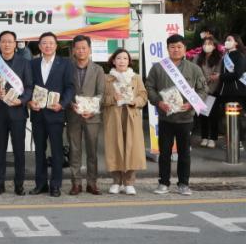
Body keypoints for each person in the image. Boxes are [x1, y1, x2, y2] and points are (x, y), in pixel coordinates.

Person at [146, 34, 207, 196]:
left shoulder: (194, 69)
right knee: (164, 153)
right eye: (172, 47)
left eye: (179, 47)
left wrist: (192, 103)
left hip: (186, 119)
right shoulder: (158, 68)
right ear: (167, 49)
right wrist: (158, 102)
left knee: (184, 153)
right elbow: (149, 87)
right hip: (165, 118)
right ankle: (163, 183)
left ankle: (183, 184)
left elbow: (203, 89)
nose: (176, 50)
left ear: (185, 49)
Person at [28, 32, 75, 197]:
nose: (47, 46)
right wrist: (29, 102)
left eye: (50, 43)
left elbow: (70, 87)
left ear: (56, 45)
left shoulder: (65, 63)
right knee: (39, 151)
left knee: (56, 152)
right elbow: (28, 86)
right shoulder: (32, 63)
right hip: (38, 114)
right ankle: (41, 184)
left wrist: (62, 104)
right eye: (44, 43)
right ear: (39, 46)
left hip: (56, 114)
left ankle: (56, 185)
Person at [0, 31, 33, 196]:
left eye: (10, 41)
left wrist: (21, 101)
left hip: (18, 112)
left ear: (15, 44)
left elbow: (29, 87)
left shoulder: (24, 62)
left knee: (19, 150)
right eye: (3, 41)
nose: (6, 44)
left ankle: (19, 184)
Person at [102, 49, 148, 195]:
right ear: (113, 61)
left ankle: (129, 182)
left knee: (131, 149)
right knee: (114, 148)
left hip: (131, 117)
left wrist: (135, 101)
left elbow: (143, 96)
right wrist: (112, 99)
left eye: (125, 58)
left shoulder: (136, 78)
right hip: (113, 117)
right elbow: (100, 99)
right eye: (118, 58)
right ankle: (116, 181)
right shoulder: (106, 78)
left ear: (129, 61)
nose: (122, 61)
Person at [66, 35, 105, 195]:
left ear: (89, 49)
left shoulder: (98, 69)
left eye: (84, 48)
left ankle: (92, 183)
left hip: (92, 116)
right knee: (74, 150)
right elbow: (64, 90)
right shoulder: (67, 68)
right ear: (73, 50)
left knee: (92, 151)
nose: (81, 51)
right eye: (78, 48)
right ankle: (76, 183)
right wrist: (70, 104)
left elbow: (101, 93)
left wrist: (93, 109)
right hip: (73, 114)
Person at [218, 33, 246, 150]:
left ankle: (239, 142)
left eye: (229, 40)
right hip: (226, 92)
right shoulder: (225, 56)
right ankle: (231, 141)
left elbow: (237, 74)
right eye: (226, 39)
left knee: (237, 118)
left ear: (236, 43)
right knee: (227, 119)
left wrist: (220, 76)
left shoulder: (239, 56)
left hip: (237, 92)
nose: (226, 41)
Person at [194, 36, 222, 148]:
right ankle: (204, 137)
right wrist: (202, 84)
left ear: (214, 46)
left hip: (213, 90)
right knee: (203, 115)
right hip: (200, 90)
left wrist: (208, 83)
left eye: (210, 44)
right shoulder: (197, 57)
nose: (207, 46)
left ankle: (213, 138)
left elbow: (217, 75)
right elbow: (195, 72)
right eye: (205, 44)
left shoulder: (219, 59)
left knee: (213, 115)